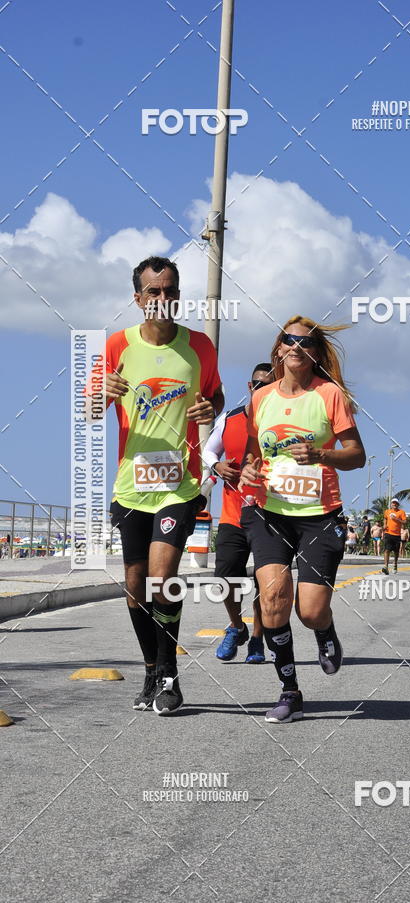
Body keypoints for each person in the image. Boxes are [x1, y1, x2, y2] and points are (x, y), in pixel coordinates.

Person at [101, 256, 224, 715]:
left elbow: (216, 393)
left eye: (169, 290)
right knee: (135, 585)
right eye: (153, 292)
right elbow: (93, 407)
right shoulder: (118, 345)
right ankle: (151, 668)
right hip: (131, 484)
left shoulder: (200, 346)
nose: (162, 299)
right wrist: (101, 395)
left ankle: (170, 676)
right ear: (138, 299)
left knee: (161, 578)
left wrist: (209, 409)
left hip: (180, 482)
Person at [239, 316, 366, 724]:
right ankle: (290, 690)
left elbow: (357, 455)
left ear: (315, 354)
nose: (296, 347)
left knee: (309, 611)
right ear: (278, 348)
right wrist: (246, 471)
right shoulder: (260, 399)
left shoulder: (330, 395)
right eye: (289, 340)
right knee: (273, 602)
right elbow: (252, 455)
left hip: (319, 515)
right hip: (268, 512)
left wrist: (322, 455)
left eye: (306, 343)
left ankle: (324, 633)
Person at [202, 364, 274, 664]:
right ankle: (236, 626)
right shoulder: (230, 418)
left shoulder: (281, 424)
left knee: (263, 583)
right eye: (258, 385)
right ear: (249, 385)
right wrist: (216, 466)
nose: (262, 390)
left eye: (269, 386)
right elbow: (208, 451)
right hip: (233, 514)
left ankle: (257, 639)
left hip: (269, 516)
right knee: (224, 578)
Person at [381, 498, 406, 574]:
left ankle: (395, 564)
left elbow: (404, 522)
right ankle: (386, 566)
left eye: (395, 503)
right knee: (387, 550)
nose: (394, 504)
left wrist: (397, 519)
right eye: (393, 503)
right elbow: (385, 519)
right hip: (388, 533)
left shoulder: (401, 512)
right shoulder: (387, 511)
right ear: (391, 504)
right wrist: (384, 525)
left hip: (397, 535)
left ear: (398, 504)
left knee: (396, 552)